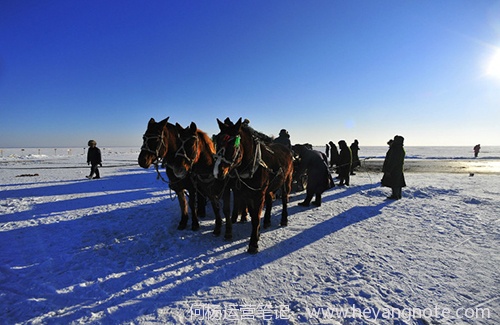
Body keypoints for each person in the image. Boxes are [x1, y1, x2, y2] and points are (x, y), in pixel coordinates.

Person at [381, 135, 406, 199]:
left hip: (394, 169)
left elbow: (392, 160)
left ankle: (395, 195)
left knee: (394, 182)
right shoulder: (400, 148)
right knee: (398, 182)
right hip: (398, 168)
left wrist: (388, 170)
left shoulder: (395, 149)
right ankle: (398, 195)